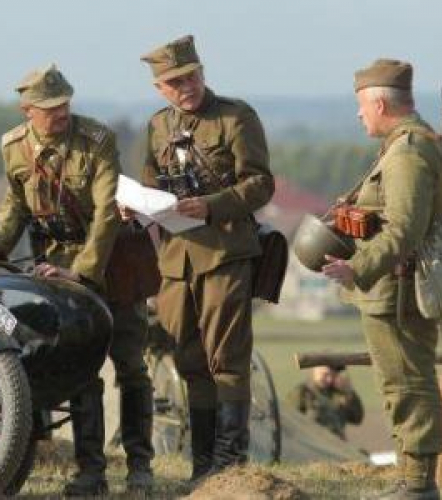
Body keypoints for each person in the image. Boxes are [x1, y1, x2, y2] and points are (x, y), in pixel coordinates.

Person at [0, 64, 154, 495]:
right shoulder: (13, 148)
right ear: (28, 111)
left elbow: (105, 212)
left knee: (131, 364)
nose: (60, 113)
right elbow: (14, 207)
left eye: (64, 104)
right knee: (80, 368)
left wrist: (82, 271)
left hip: (110, 262)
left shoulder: (96, 140)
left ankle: (140, 466)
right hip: (53, 265)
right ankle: (91, 471)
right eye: (49, 108)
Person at [138, 35, 274, 482]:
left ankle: (231, 468)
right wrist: (135, 205)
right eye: (174, 82)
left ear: (202, 71)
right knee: (189, 359)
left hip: (225, 253)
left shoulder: (236, 117)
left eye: (191, 76)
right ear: (160, 88)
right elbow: (148, 182)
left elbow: (260, 184)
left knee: (228, 359)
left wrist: (212, 204)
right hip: (176, 262)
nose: (185, 87)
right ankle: (203, 468)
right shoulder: (158, 126)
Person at [322, 59, 442, 500]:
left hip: (397, 287)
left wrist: (355, 268)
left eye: (362, 106)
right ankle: (408, 476)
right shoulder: (404, 144)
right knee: (396, 381)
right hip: (389, 286)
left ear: (379, 102)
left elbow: (405, 228)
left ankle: (417, 484)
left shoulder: (409, 151)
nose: (359, 115)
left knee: (409, 381)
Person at [287, 365, 364, 440]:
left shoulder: (339, 393)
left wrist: (349, 392)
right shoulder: (302, 392)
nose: (329, 379)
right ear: (315, 370)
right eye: (325, 374)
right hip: (313, 444)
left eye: (333, 376)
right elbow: (290, 422)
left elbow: (357, 419)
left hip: (337, 446)